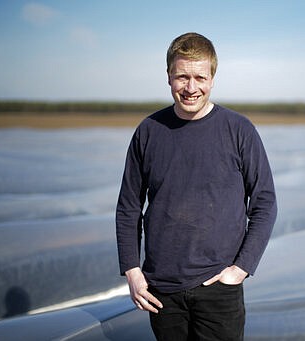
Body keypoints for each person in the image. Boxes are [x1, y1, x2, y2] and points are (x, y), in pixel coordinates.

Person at [116, 32, 277, 340]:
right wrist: (132, 271)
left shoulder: (239, 130)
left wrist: (240, 269)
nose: (191, 88)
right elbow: (128, 207)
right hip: (161, 291)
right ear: (168, 77)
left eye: (199, 77)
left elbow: (264, 202)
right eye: (182, 77)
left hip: (218, 288)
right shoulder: (149, 132)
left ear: (212, 78)